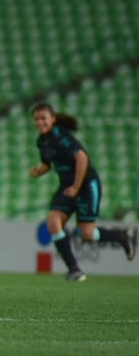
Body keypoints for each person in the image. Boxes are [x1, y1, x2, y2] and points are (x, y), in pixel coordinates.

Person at [29, 102, 135, 281]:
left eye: (43, 118)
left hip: (85, 185)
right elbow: (48, 163)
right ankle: (74, 269)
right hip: (67, 186)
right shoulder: (42, 140)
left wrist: (77, 187)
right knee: (53, 223)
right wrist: (38, 170)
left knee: (86, 234)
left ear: (52, 119)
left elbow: (81, 158)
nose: (40, 122)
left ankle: (121, 236)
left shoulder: (60, 136)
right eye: (37, 119)